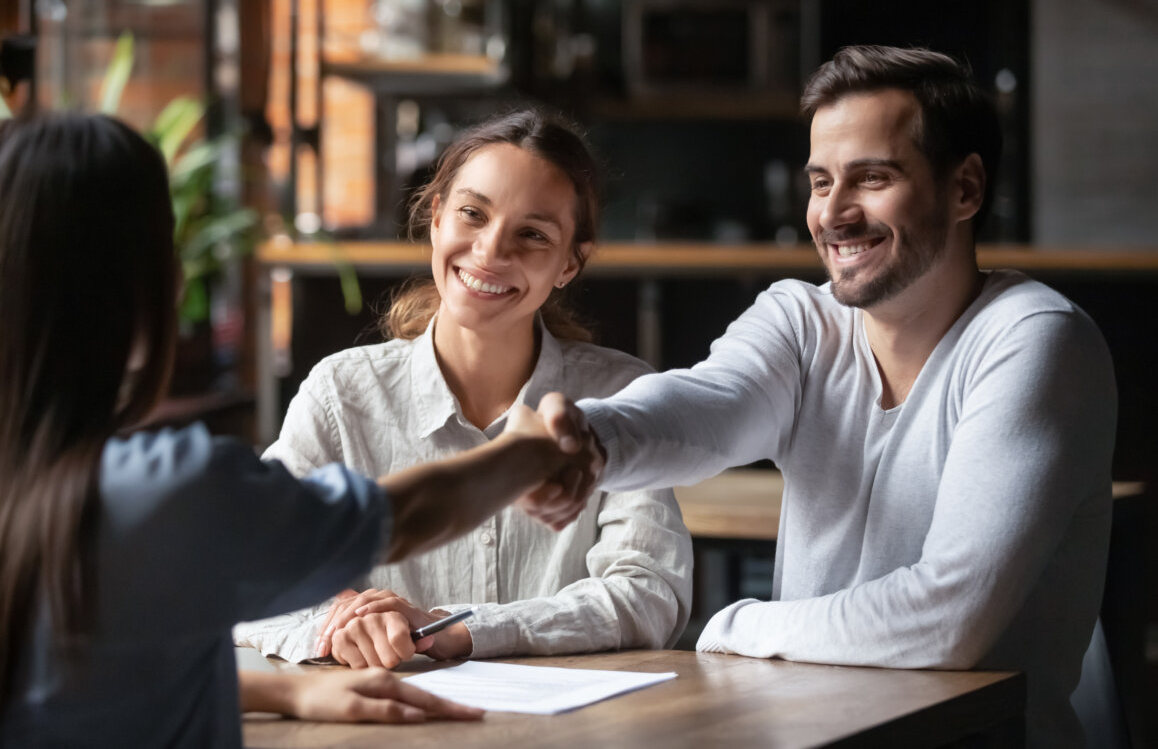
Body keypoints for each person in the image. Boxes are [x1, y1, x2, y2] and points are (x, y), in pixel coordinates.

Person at [534, 45, 1117, 749]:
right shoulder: (800, 319)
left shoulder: (1034, 339)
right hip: (818, 734)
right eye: (820, 182)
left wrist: (734, 627)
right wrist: (589, 441)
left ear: (964, 189)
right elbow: (708, 406)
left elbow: (947, 619)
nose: (834, 214)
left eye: (872, 178)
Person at [0, 112, 599, 748]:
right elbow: (407, 513)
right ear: (158, 289)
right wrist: (527, 453)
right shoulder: (169, 491)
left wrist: (288, 690)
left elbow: (106, 673)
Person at [233, 109, 692, 669]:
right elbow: (248, 576)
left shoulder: (620, 394)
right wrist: (339, 619)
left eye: (532, 235)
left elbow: (649, 594)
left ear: (570, 263)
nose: (491, 252)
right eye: (472, 214)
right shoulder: (341, 394)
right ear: (435, 217)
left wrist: (455, 628)